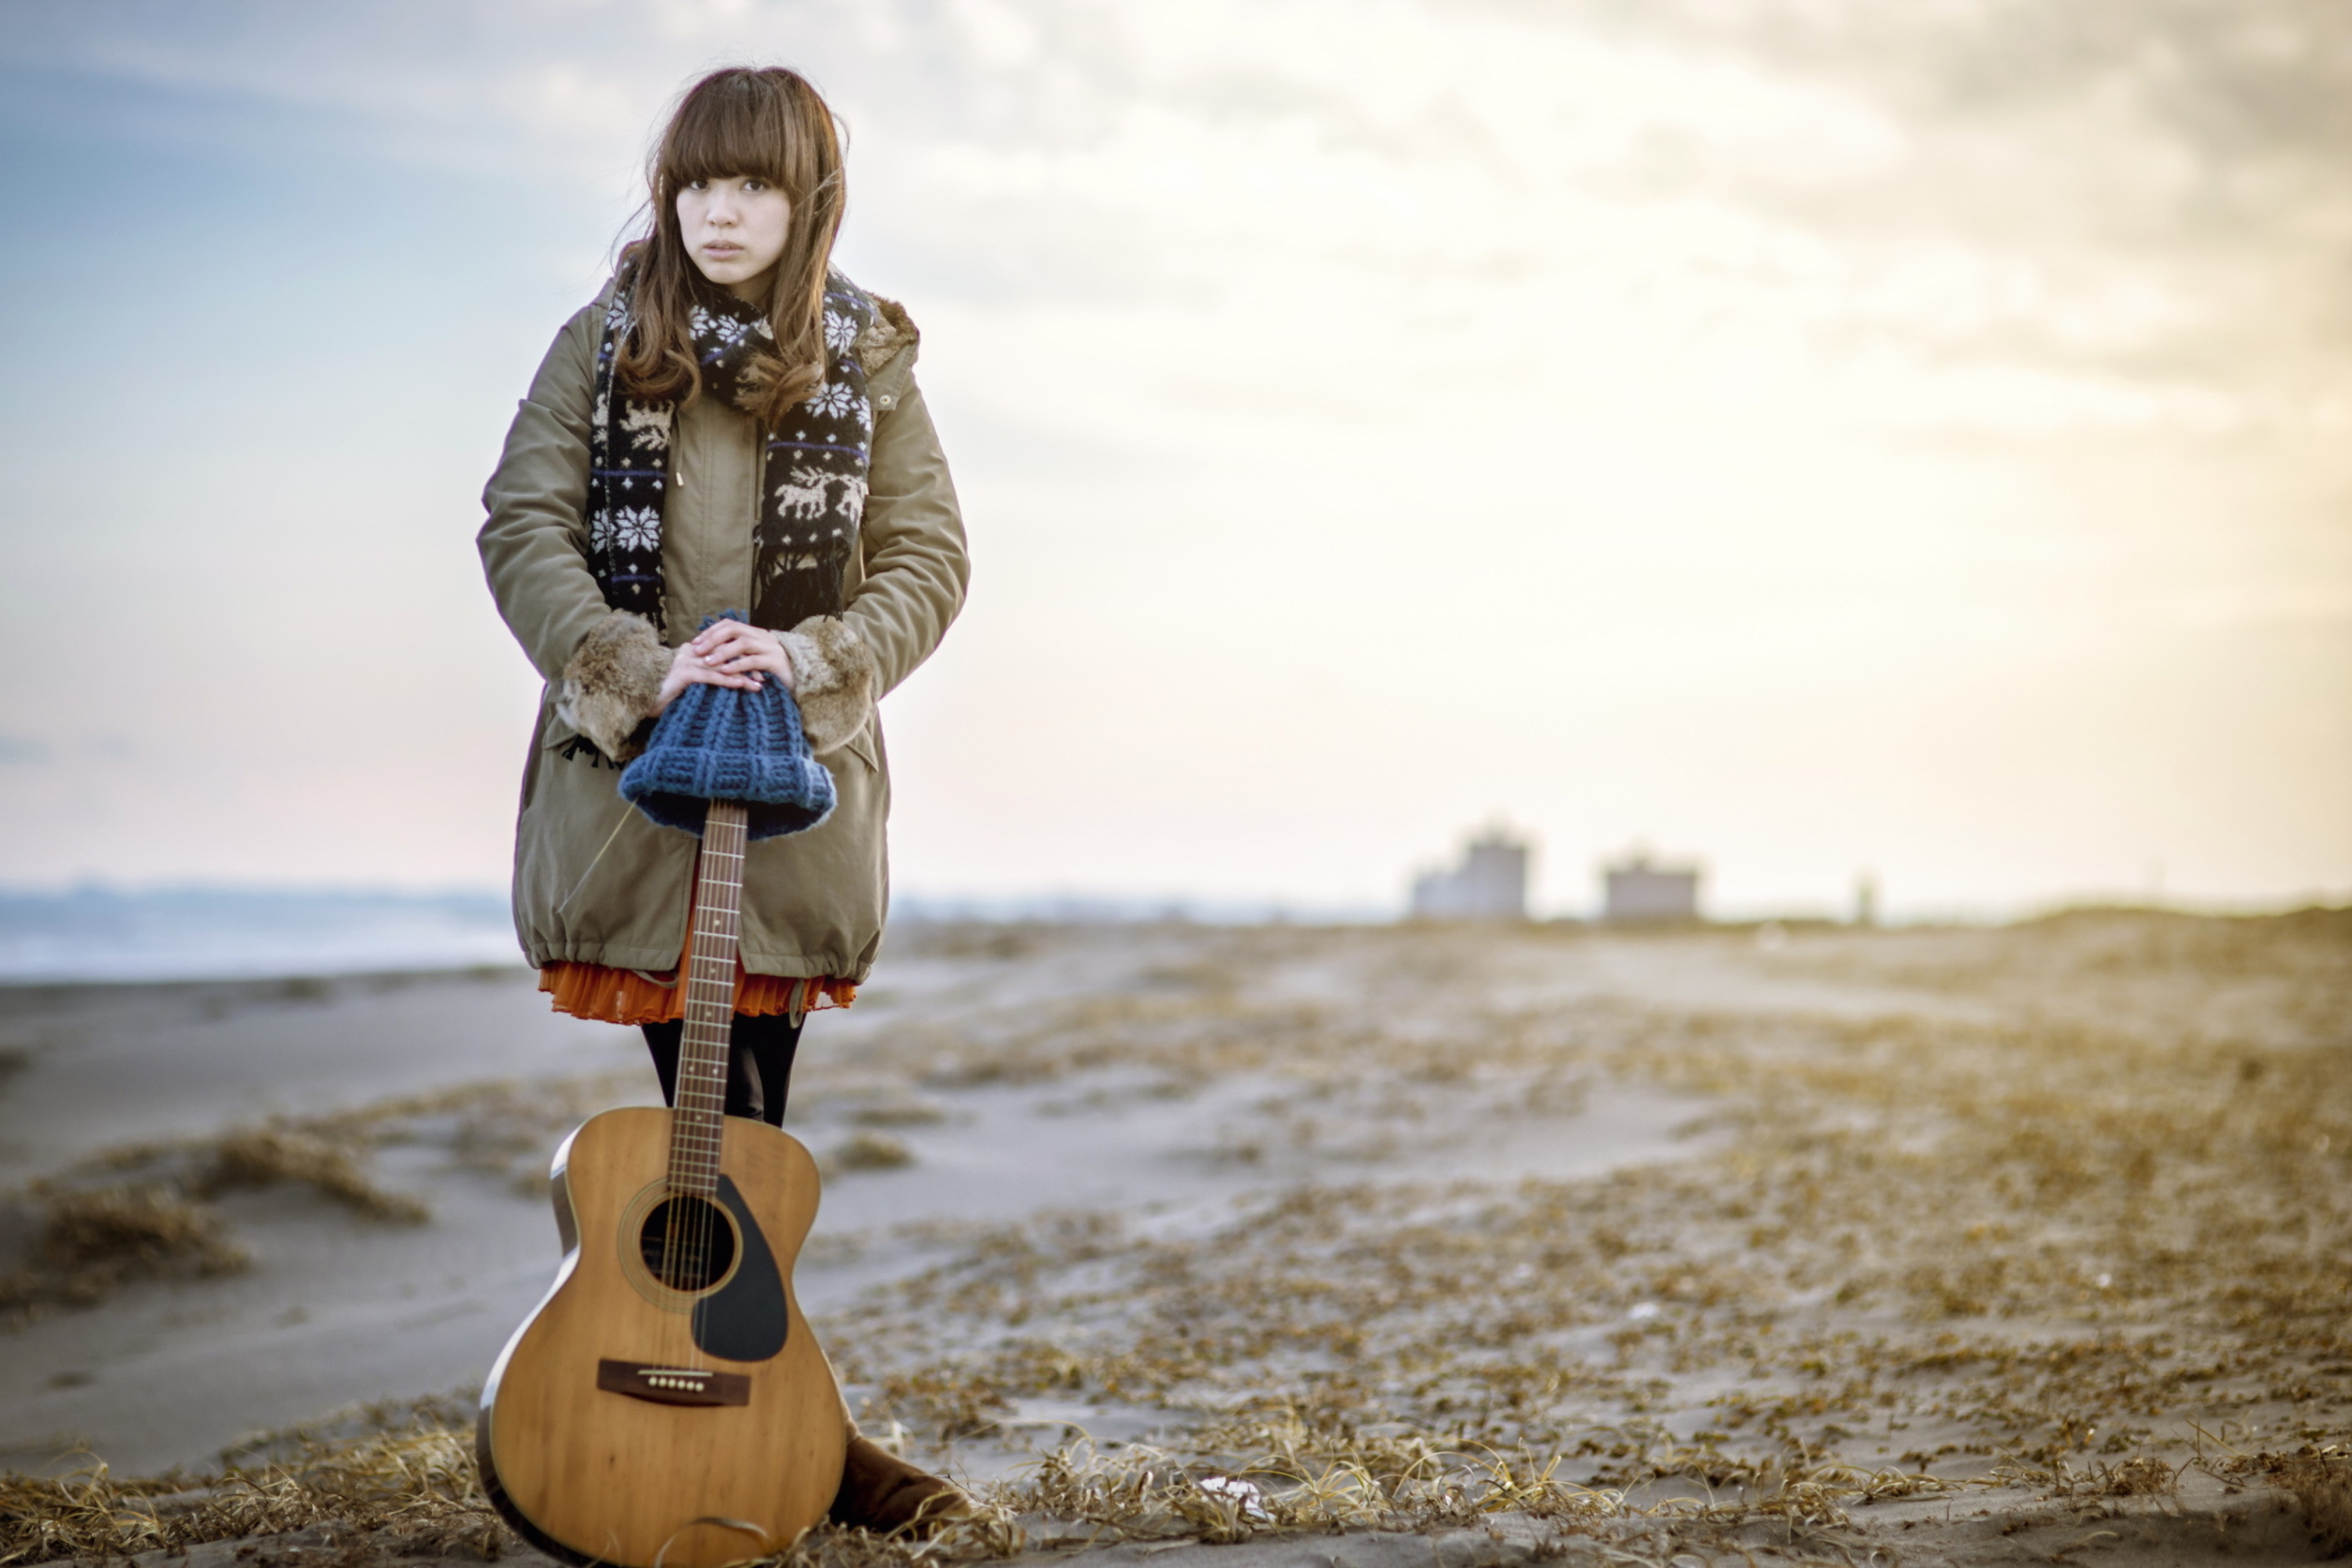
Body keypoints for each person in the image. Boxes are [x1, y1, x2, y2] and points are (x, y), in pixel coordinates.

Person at [476, 65, 969, 1532]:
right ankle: (804, 1441)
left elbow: (929, 559)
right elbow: (522, 519)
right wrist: (636, 663)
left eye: (751, 184)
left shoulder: (869, 357)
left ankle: (778, 1433)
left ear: (806, 197)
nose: (719, 211)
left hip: (796, 797)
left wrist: (812, 657)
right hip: (629, 788)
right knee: (707, 1120)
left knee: (749, 1114)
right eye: (696, 183)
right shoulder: (600, 339)